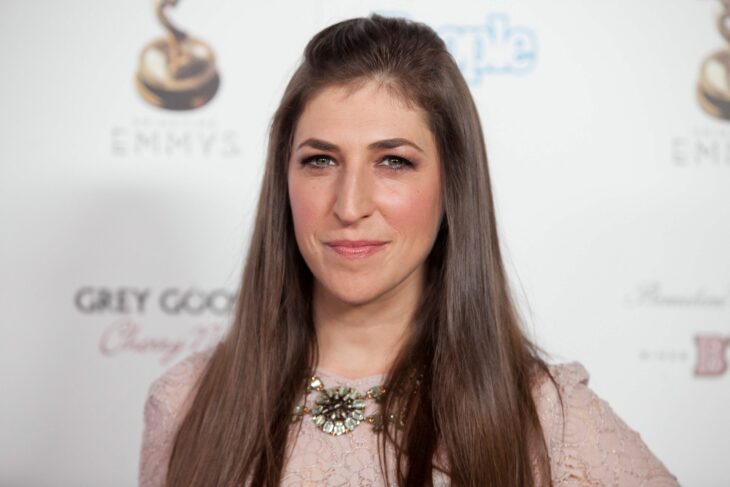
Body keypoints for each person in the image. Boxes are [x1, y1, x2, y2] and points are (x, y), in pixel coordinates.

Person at [138, 13, 679, 487]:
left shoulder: (548, 421)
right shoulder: (185, 403)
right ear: (284, 179)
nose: (350, 205)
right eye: (320, 160)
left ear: (452, 185)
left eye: (393, 161)